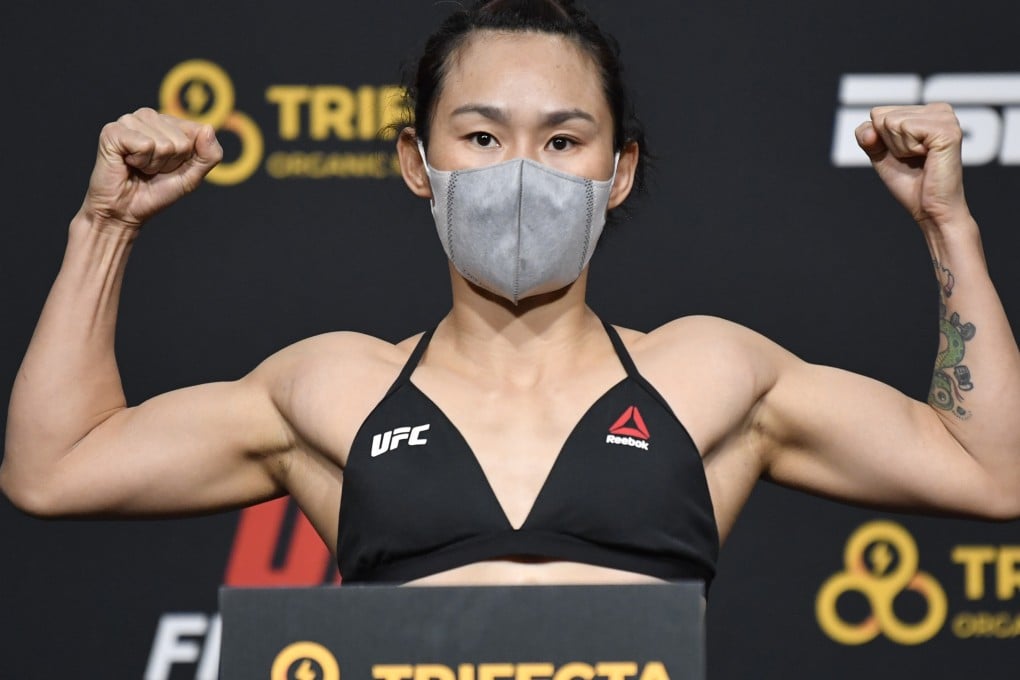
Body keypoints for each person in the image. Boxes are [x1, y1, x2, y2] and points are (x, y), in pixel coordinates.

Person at [2, 0, 1019, 589]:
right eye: (481, 137)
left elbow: (990, 470)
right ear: (416, 160)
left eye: (562, 140)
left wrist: (948, 225)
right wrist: (108, 225)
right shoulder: (334, 385)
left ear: (617, 171)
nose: (519, 171)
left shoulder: (709, 372)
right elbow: (55, 467)